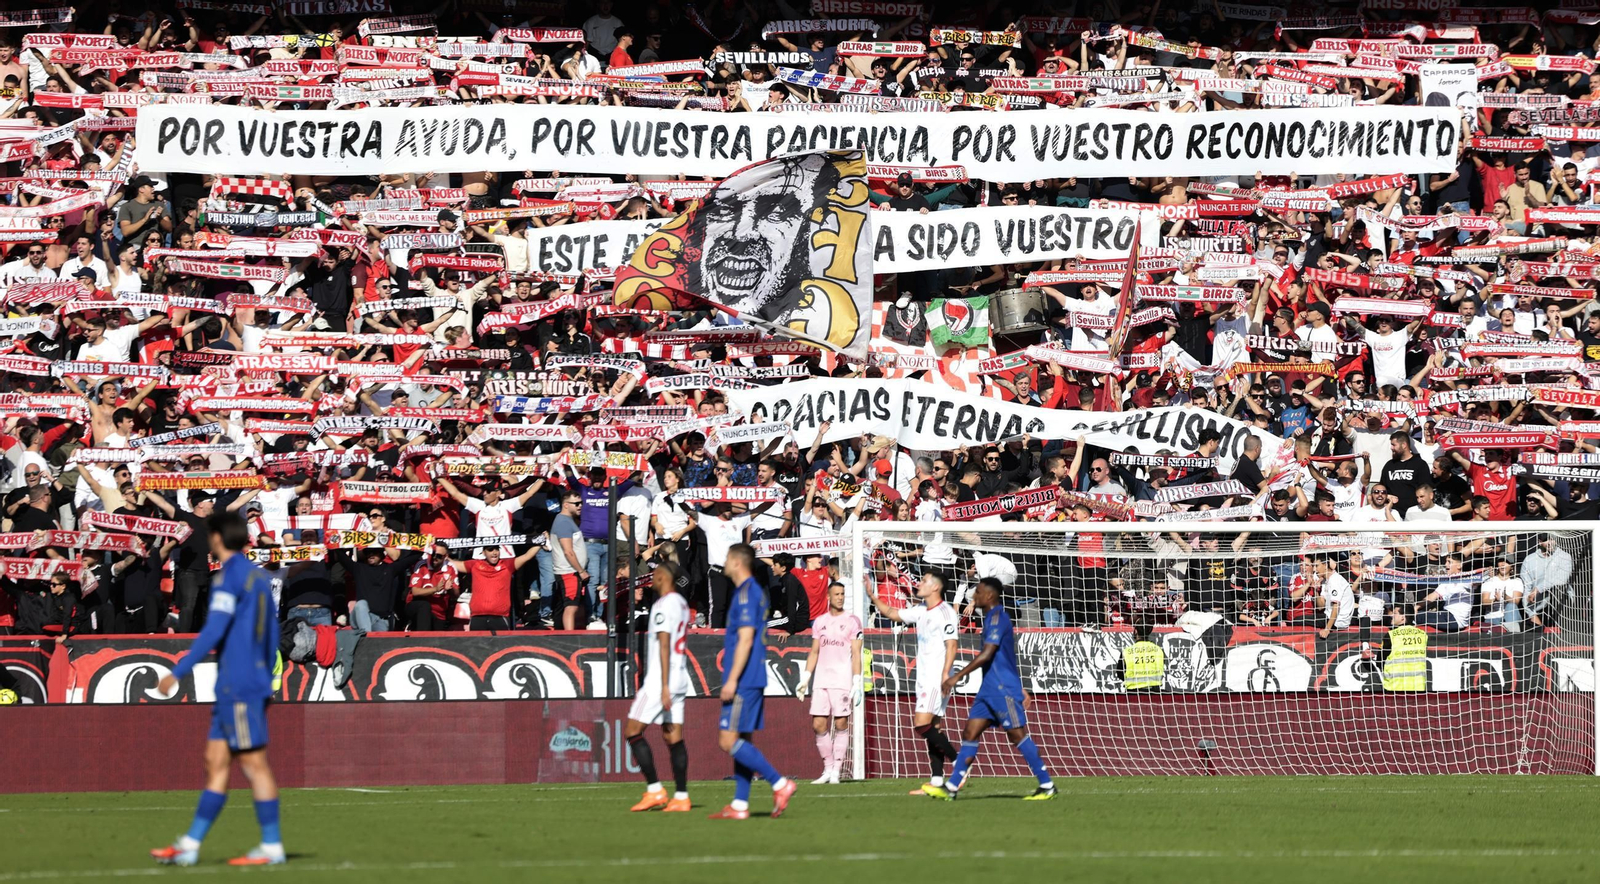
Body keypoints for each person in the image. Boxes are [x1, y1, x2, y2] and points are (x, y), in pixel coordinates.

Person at [151, 513, 283, 867]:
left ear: (217, 538)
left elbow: (213, 631)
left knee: (254, 764)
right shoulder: (259, 578)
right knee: (216, 762)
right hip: (240, 683)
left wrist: (177, 671)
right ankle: (191, 845)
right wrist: (268, 674)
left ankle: (272, 847)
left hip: (240, 684)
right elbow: (272, 632)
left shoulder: (230, 577)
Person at [924, 577, 1056, 801]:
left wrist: (957, 676)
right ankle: (952, 788)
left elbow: (988, 653)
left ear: (990, 596)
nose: (974, 597)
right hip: (989, 689)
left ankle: (1047, 785)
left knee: (1017, 735)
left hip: (1001, 688)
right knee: (970, 733)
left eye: (978, 593)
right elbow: (1005, 657)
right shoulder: (990, 618)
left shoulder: (997, 618)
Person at [708, 543, 797, 820]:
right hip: (754, 675)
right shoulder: (755, 593)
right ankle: (739, 804)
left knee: (727, 740)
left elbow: (746, 638)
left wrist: (732, 679)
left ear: (736, 561)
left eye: (726, 557)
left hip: (744, 678)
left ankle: (780, 783)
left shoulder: (746, 593)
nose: (724, 562)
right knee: (742, 739)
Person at [867, 570, 959, 793]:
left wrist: (946, 674)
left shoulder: (946, 613)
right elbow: (892, 613)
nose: (920, 583)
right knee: (934, 728)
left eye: (925, 581)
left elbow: (952, 644)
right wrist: (872, 596)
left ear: (935, 587)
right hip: (924, 677)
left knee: (921, 724)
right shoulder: (920, 610)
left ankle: (960, 762)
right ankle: (937, 782)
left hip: (937, 678)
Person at [624, 561, 692, 813]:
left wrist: (662, 685)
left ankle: (655, 790)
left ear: (664, 576)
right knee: (673, 736)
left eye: (654, 574)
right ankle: (682, 797)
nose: (650, 578)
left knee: (632, 730)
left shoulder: (663, 604)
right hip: (680, 677)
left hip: (660, 679)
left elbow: (664, 643)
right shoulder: (683, 604)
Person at [797, 581, 863, 785]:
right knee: (818, 724)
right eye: (836, 594)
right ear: (828, 596)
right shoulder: (819, 622)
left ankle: (836, 771)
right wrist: (806, 678)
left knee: (841, 723)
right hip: (821, 680)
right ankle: (827, 769)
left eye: (842, 594)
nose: (840, 597)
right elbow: (815, 651)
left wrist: (857, 681)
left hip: (841, 680)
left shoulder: (853, 621)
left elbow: (856, 654)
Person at [1379, 606, 1428, 692]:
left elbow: (1380, 660)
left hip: (1395, 686)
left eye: (1395, 613)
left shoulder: (1392, 635)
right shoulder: (1423, 635)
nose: (1392, 616)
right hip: (1418, 686)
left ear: (1403, 617)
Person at [1119, 616, 1165, 691]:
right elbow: (1162, 667)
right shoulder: (1158, 650)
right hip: (1154, 692)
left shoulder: (1127, 652)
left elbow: (1120, 673)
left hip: (1133, 693)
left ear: (1136, 631)